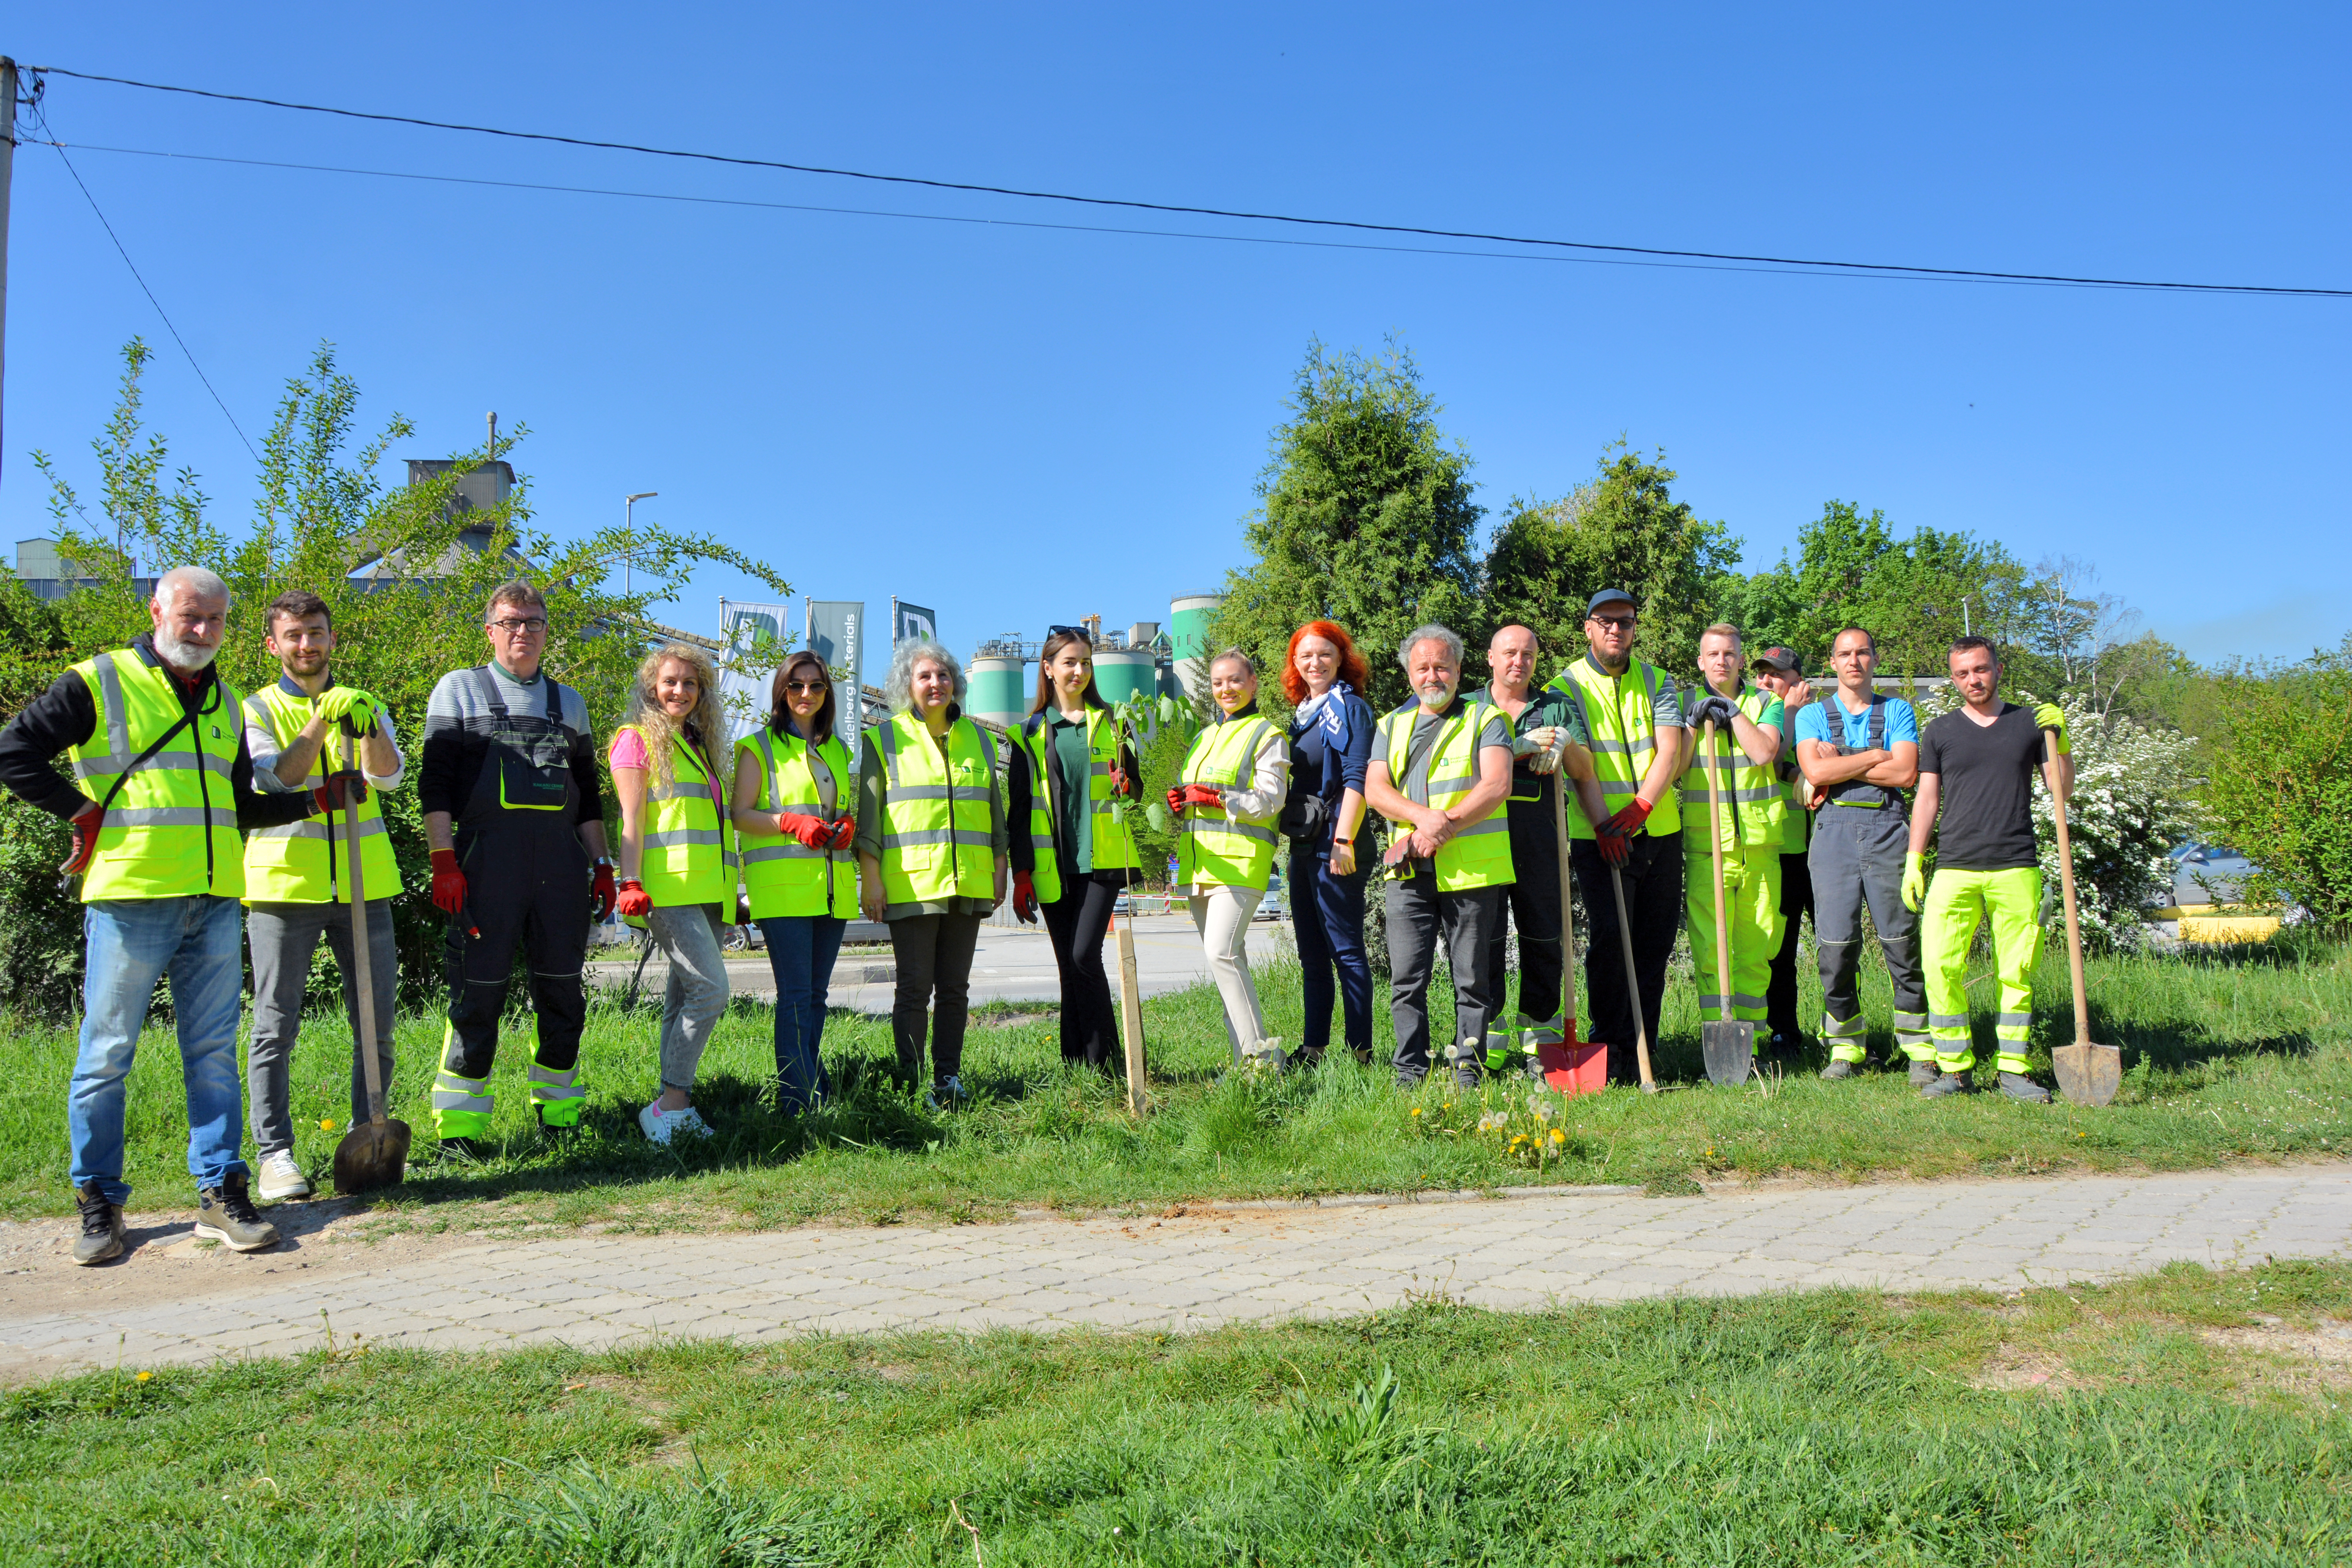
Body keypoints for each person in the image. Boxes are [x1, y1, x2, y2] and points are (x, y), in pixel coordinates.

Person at [0, 566, 334, 1263]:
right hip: (129, 899)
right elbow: (13, 751)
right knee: (106, 1055)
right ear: (157, 610)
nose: (203, 631)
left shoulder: (226, 702)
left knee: (212, 1055)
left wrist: (312, 801)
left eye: (215, 620)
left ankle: (220, 1193)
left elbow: (239, 803)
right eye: (190, 616)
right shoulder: (100, 679)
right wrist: (81, 811)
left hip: (213, 898)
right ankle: (99, 1203)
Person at [420, 581, 615, 1157]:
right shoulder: (459, 690)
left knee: (562, 995)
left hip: (559, 868)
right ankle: (459, 1131)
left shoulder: (569, 703)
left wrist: (601, 866)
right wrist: (443, 861)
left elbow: (587, 795)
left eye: (533, 622)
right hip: (485, 866)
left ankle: (559, 1117)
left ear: (546, 631)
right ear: (490, 630)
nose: (522, 632)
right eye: (510, 622)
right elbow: (434, 786)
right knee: (477, 996)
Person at [239, 589, 405, 1203]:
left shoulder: (365, 704)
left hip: (365, 888)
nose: (306, 645)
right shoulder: (253, 709)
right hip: (284, 887)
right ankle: (274, 1154)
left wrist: (363, 725)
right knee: (275, 1027)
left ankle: (370, 1141)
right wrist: (320, 720)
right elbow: (274, 778)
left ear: (333, 639)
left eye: (316, 633)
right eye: (294, 636)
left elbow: (388, 778)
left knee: (376, 1027)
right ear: (273, 645)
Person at [1905, 638, 2073, 1102]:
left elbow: (2063, 790)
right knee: (1940, 968)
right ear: (1953, 678)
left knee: (2016, 972)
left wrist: (2062, 742)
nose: (1972, 680)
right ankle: (1956, 1069)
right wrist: (1914, 860)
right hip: (1955, 867)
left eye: (1980, 670)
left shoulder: (2030, 724)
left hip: (2016, 866)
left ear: (1998, 668)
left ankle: (2015, 1070)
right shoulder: (1939, 731)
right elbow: (1927, 798)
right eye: (1962, 674)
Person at [1364, 624, 1515, 1089]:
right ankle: (1410, 1068)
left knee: (1472, 980)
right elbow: (1375, 790)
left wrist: (1440, 827)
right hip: (1407, 872)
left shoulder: (1487, 719)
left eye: (1442, 666)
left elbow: (1496, 786)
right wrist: (1425, 820)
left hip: (1472, 871)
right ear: (1410, 674)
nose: (1434, 675)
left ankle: (1468, 1068)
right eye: (1423, 667)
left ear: (1459, 669)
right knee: (1407, 979)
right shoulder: (1389, 725)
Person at [1548, 589, 1688, 1087]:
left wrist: (1642, 806)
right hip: (1598, 836)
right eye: (1605, 621)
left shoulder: (1657, 680)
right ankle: (1607, 1047)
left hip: (1659, 834)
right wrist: (1607, 824)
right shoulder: (1563, 686)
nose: (1615, 630)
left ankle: (1642, 1046)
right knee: (1610, 946)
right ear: (1588, 627)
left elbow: (1668, 750)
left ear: (1634, 628)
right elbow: (1577, 763)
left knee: (1654, 947)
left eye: (1625, 622)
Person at [858, 639, 1006, 1105]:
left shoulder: (980, 740)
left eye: (943, 675)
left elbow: (994, 816)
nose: (935, 683)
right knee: (914, 988)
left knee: (956, 989)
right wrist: (872, 879)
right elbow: (870, 819)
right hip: (912, 886)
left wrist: (1000, 869)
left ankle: (948, 1078)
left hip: (969, 882)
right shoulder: (883, 738)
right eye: (925, 676)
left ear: (956, 684)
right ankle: (910, 1081)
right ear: (908, 686)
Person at [610, 643, 734, 1144]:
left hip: (710, 890)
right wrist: (630, 881)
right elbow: (631, 819)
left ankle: (666, 1107)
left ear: (700, 690)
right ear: (651, 688)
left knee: (683, 996)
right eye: (669, 682)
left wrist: (733, 895)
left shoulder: (697, 744)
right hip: (668, 890)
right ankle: (673, 1102)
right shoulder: (635, 740)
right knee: (711, 992)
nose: (679, 690)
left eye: (689, 683)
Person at [1794, 627, 1930, 1081]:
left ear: (1874, 658)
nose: (1854, 661)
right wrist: (1877, 757)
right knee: (1835, 949)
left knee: (1902, 944)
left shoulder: (1898, 709)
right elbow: (1814, 769)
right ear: (1831, 663)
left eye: (1863, 652)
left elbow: (1907, 772)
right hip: (1832, 840)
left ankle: (1919, 1047)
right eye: (1844, 654)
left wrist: (1844, 763)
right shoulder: (1811, 715)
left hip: (1889, 832)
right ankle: (1846, 1046)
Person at [1006, 626, 1142, 1070]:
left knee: (1086, 954)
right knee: (1069, 964)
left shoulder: (1117, 723)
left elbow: (1134, 789)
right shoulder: (1027, 733)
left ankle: (1107, 1061)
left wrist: (1127, 783)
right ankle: (1076, 1064)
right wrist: (1021, 873)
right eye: (1070, 662)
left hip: (1101, 859)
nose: (1079, 670)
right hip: (1052, 866)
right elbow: (1020, 809)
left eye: (1086, 662)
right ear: (1048, 668)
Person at [733, 650, 857, 1114]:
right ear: (782, 691)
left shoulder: (839, 751)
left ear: (827, 693)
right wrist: (788, 821)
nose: (806, 694)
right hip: (783, 892)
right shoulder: (757, 747)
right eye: (797, 685)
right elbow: (741, 814)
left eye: (816, 686)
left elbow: (837, 810)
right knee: (796, 997)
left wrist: (844, 826)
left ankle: (811, 1089)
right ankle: (797, 1102)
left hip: (831, 891)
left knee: (818, 998)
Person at [1478, 622, 1601, 1078]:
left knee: (1545, 938)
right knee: (1483, 941)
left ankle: (1542, 1043)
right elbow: (1455, 761)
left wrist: (1566, 743)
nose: (1519, 661)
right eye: (1509, 653)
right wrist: (1513, 748)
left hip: (1541, 839)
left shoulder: (1554, 705)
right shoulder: (1471, 707)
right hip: (1483, 841)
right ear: (1491, 657)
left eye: (1528, 654)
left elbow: (1586, 770)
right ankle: (1483, 1045)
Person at [1170, 648, 1290, 1071]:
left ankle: (1264, 1062)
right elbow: (1196, 795)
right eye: (1219, 682)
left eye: (1235, 680)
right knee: (1225, 962)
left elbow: (1272, 800)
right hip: (1200, 865)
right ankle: (1245, 1063)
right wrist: (1182, 801)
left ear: (1254, 682)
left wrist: (1220, 798)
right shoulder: (1204, 737)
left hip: (1240, 864)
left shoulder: (1267, 734)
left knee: (1222, 953)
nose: (1226, 689)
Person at [1679, 625, 1787, 1043]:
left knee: (1756, 947)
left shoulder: (1766, 701)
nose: (1721, 660)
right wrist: (1693, 724)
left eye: (1730, 654)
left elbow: (1764, 752)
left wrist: (1734, 712)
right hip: (1710, 845)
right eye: (1713, 654)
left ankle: (1754, 1040)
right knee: (1711, 951)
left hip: (1759, 843)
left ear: (1742, 660)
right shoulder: (1685, 703)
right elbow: (1676, 768)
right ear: (1701, 661)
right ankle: (1718, 1036)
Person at [1281, 621, 1376, 1066]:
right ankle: (1314, 1048)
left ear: (1341, 658)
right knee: (1312, 954)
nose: (1314, 662)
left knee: (1346, 950)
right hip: (1304, 844)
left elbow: (1359, 778)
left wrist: (1344, 840)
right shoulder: (1305, 712)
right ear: (1295, 664)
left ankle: (1361, 1053)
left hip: (1337, 842)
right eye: (1305, 656)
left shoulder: (1349, 707)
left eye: (1324, 654)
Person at [1748, 646, 1817, 1059]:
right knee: (1780, 950)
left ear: (1799, 681)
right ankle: (1783, 1032)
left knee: (1838, 946)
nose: (1767, 682)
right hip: (1782, 849)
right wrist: (1786, 713)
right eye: (1762, 675)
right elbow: (1768, 758)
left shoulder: (1822, 714)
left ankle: (1846, 1035)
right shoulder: (1760, 715)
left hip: (1824, 849)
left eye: (1776, 675)